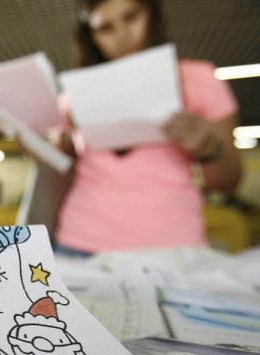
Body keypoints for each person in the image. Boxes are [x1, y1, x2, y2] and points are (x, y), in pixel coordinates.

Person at [53, 0, 242, 255]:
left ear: (151, 14)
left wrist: (207, 146)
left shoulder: (199, 78)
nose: (122, 35)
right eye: (105, 28)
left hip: (172, 244)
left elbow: (229, 182)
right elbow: (59, 178)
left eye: (131, 18)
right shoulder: (73, 96)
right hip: (80, 241)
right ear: (90, 36)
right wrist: (51, 149)